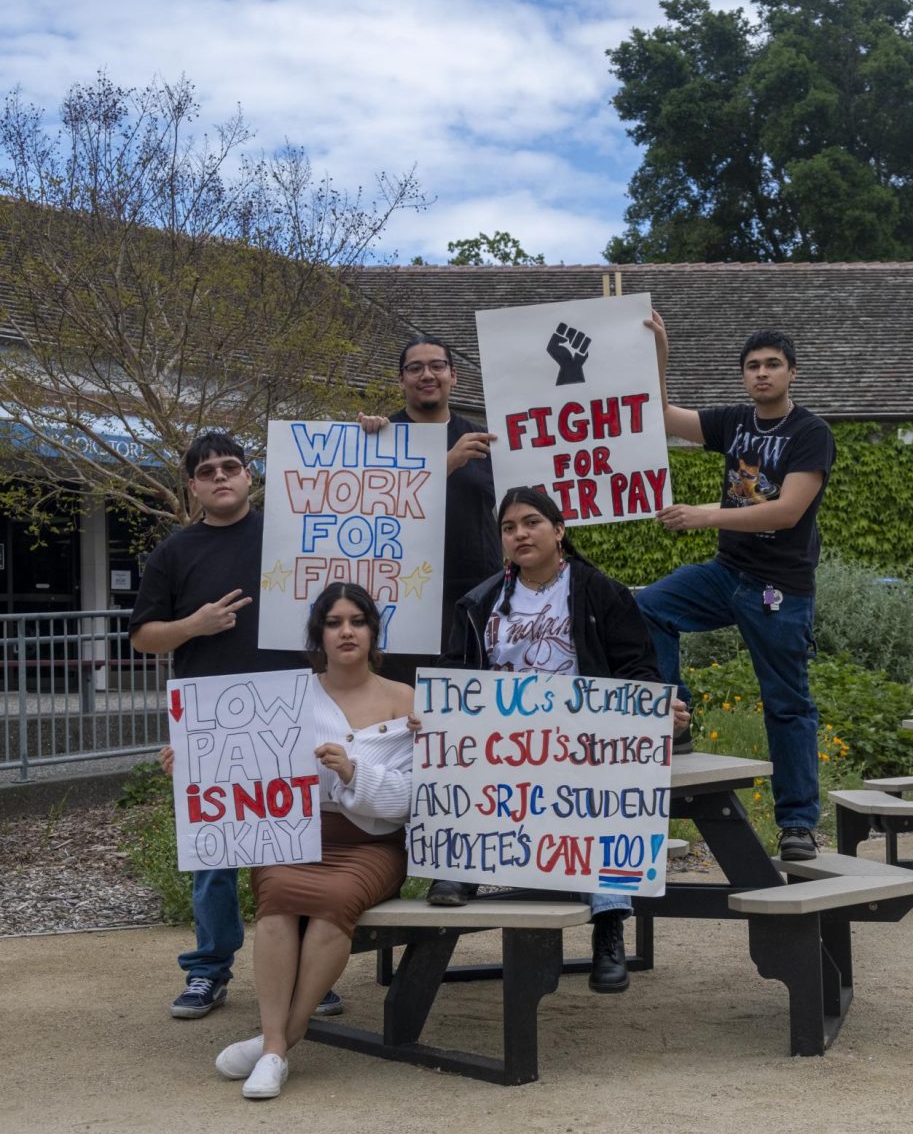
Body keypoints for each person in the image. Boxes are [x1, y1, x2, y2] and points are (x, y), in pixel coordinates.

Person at [433, 486, 690, 993]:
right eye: (509, 528)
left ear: (559, 530)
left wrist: (656, 708)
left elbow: (638, 668)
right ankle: (462, 866)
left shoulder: (600, 592)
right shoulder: (479, 601)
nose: (520, 534)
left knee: (604, 791)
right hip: (503, 744)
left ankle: (609, 925)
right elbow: (456, 674)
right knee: (461, 762)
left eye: (531, 523)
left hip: (582, 743)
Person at [130, 431, 342, 1020]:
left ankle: (304, 970)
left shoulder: (293, 536)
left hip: (292, 712)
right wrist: (192, 625)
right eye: (206, 471)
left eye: (230, 466)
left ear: (250, 475)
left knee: (295, 846)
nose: (220, 477)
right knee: (214, 858)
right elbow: (144, 636)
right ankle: (208, 969)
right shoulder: (173, 553)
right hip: (210, 719)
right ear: (193, 486)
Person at [636, 310, 836, 862]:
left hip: (779, 589)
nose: (762, 374)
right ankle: (676, 720)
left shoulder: (810, 433)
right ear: (744, 376)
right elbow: (660, 416)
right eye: (753, 366)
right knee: (646, 608)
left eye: (773, 365)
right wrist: (662, 352)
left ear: (792, 373)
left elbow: (789, 511)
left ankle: (797, 825)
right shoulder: (733, 422)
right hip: (726, 575)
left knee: (786, 704)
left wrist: (705, 515)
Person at [211, 582, 415, 1100]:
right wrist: (191, 763)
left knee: (332, 904)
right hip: (296, 837)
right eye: (333, 622)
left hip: (371, 845)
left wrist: (354, 772)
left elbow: (411, 800)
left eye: (356, 621)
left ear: (373, 631)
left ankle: (279, 1043)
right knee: (276, 901)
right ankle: (277, 1044)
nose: (346, 631)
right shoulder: (287, 696)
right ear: (318, 635)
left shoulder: (409, 702)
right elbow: (243, 766)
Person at [358, 333, 503, 659]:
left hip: (478, 594)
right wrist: (447, 463)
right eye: (415, 368)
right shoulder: (380, 439)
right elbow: (372, 507)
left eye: (437, 366)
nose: (427, 375)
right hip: (403, 597)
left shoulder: (484, 439)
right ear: (401, 380)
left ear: (453, 375)